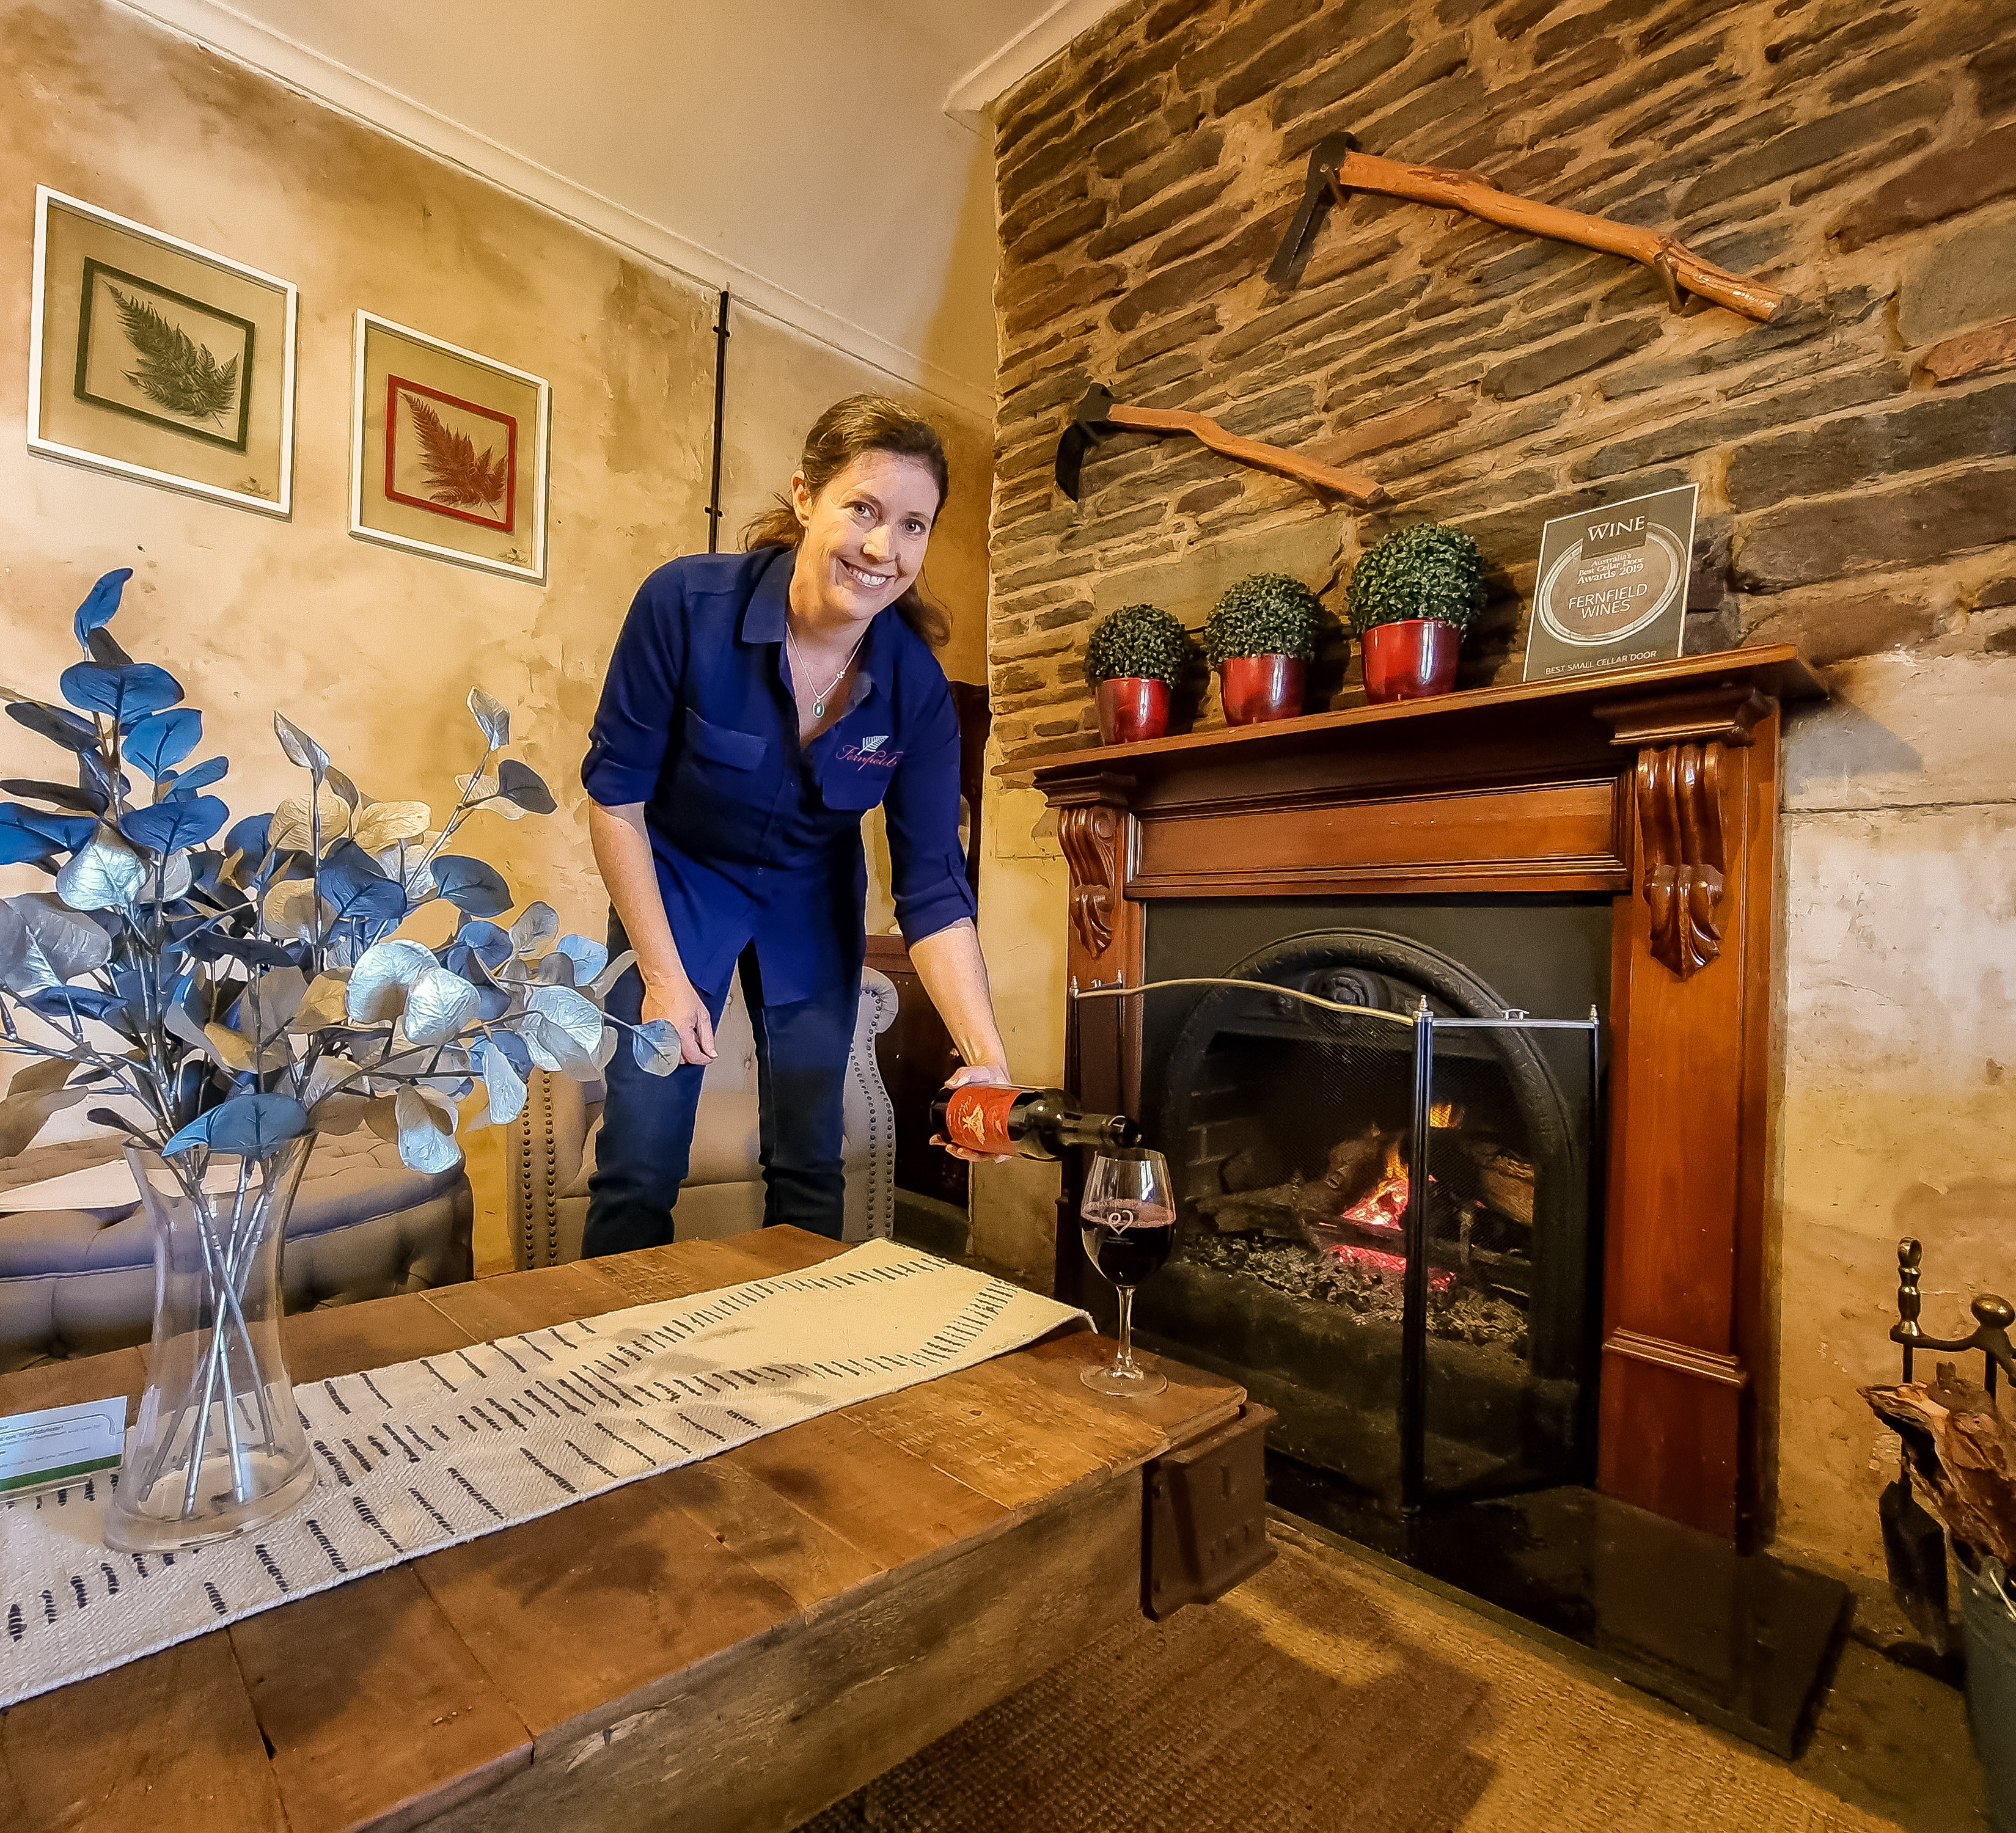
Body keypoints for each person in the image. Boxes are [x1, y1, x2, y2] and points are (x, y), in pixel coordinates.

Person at [578, 394, 1012, 1254]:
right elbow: (616, 800)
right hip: (679, 881)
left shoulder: (917, 692)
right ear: (806, 497)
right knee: (640, 1152)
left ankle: (801, 1362)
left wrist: (987, 1058)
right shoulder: (683, 604)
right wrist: (665, 980)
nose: (885, 550)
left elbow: (932, 889)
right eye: (865, 509)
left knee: (813, 1155)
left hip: (810, 897)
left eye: (915, 526)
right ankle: (611, 1372)